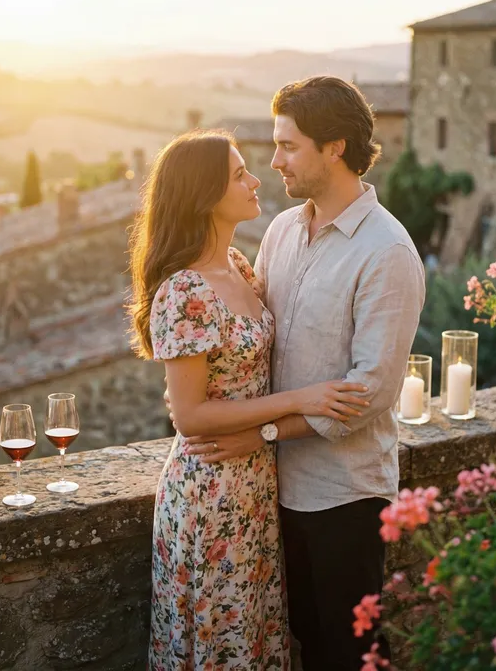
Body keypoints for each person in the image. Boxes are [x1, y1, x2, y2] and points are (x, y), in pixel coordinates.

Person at [183, 78, 425, 670]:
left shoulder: (387, 251)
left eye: (288, 146)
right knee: (302, 646)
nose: (274, 161)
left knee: (351, 653)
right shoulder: (283, 231)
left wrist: (261, 433)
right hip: (270, 489)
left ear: (334, 147)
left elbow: (366, 395)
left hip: (343, 494)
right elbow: (259, 337)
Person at [128, 129, 369, 670]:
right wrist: (299, 400)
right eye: (239, 174)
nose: (256, 178)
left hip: (255, 485)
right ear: (203, 194)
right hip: (209, 493)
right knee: (221, 642)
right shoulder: (183, 290)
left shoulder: (238, 266)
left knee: (256, 638)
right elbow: (189, 417)